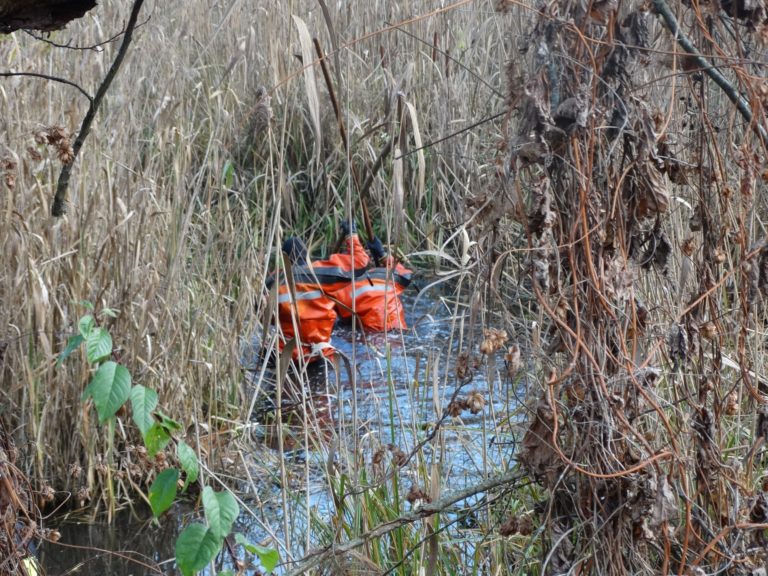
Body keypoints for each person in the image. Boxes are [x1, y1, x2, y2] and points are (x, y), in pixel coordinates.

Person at [313, 220, 412, 332]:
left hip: (373, 337)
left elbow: (336, 315)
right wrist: (382, 254)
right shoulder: (387, 278)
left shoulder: (343, 292)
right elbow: (405, 274)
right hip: (399, 333)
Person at [266, 237, 339, 362]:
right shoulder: (324, 276)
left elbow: (267, 319)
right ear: (306, 256)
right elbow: (359, 266)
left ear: (284, 259)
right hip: (321, 353)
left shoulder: (274, 281)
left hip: (287, 355)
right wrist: (352, 235)